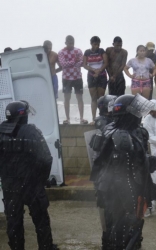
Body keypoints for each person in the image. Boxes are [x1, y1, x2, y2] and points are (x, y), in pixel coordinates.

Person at [90, 94, 156, 249]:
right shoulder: (122, 136)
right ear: (129, 114)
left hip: (110, 188)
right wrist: (131, 203)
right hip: (120, 191)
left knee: (114, 227)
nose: (139, 115)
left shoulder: (111, 130)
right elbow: (123, 174)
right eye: (136, 111)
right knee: (126, 227)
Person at [0, 101, 58, 250]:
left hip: (10, 187)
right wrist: (41, 179)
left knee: (14, 223)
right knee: (41, 221)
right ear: (22, 115)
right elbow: (46, 159)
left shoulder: (0, 131)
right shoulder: (31, 131)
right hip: (32, 186)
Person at [58, 35, 88, 125]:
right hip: (66, 78)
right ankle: (67, 118)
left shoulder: (78, 51)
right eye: (69, 43)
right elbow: (63, 64)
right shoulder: (61, 52)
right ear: (66, 43)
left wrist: (71, 63)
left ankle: (81, 118)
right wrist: (74, 60)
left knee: (79, 97)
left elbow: (81, 63)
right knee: (67, 98)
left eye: (72, 43)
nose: (71, 45)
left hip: (77, 77)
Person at [83, 36, 108, 124]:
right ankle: (93, 118)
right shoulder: (87, 52)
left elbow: (106, 62)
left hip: (101, 75)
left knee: (100, 98)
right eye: (95, 44)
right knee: (93, 98)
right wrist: (93, 70)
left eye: (98, 44)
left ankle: (101, 117)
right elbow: (84, 64)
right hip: (91, 75)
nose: (97, 46)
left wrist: (99, 71)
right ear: (91, 44)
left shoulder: (102, 51)